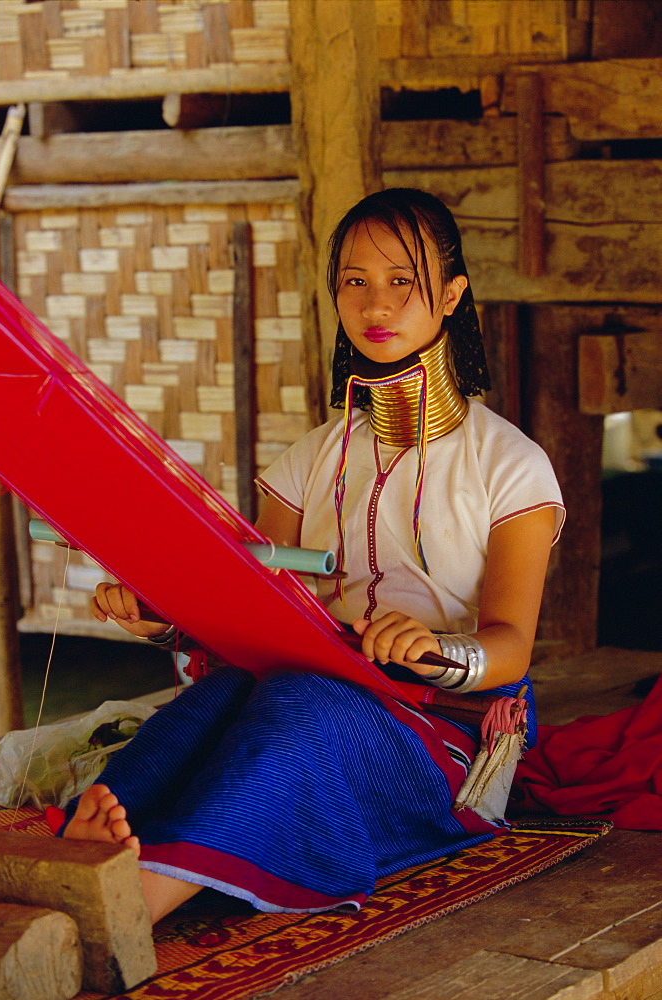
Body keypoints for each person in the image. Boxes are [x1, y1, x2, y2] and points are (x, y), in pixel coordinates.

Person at [61, 188, 564, 925]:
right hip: (304, 692)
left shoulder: (511, 466)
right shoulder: (306, 464)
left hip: (442, 731)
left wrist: (430, 652)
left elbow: (511, 650)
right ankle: (90, 849)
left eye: (402, 280)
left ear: (452, 295)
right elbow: (262, 615)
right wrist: (167, 621)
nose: (375, 304)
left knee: (302, 709)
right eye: (354, 282)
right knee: (219, 700)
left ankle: (139, 900)